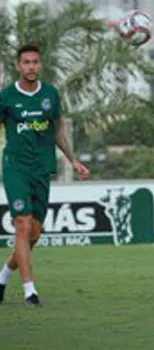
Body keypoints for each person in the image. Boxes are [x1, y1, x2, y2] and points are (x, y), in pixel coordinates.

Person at [0, 44, 90, 306]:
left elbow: (58, 131)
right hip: (16, 168)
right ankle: (30, 291)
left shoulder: (51, 94)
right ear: (18, 66)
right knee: (22, 224)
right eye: (26, 62)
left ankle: (3, 276)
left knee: (34, 235)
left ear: (40, 65)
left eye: (35, 62)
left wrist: (73, 160)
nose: (31, 67)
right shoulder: (6, 97)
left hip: (42, 169)